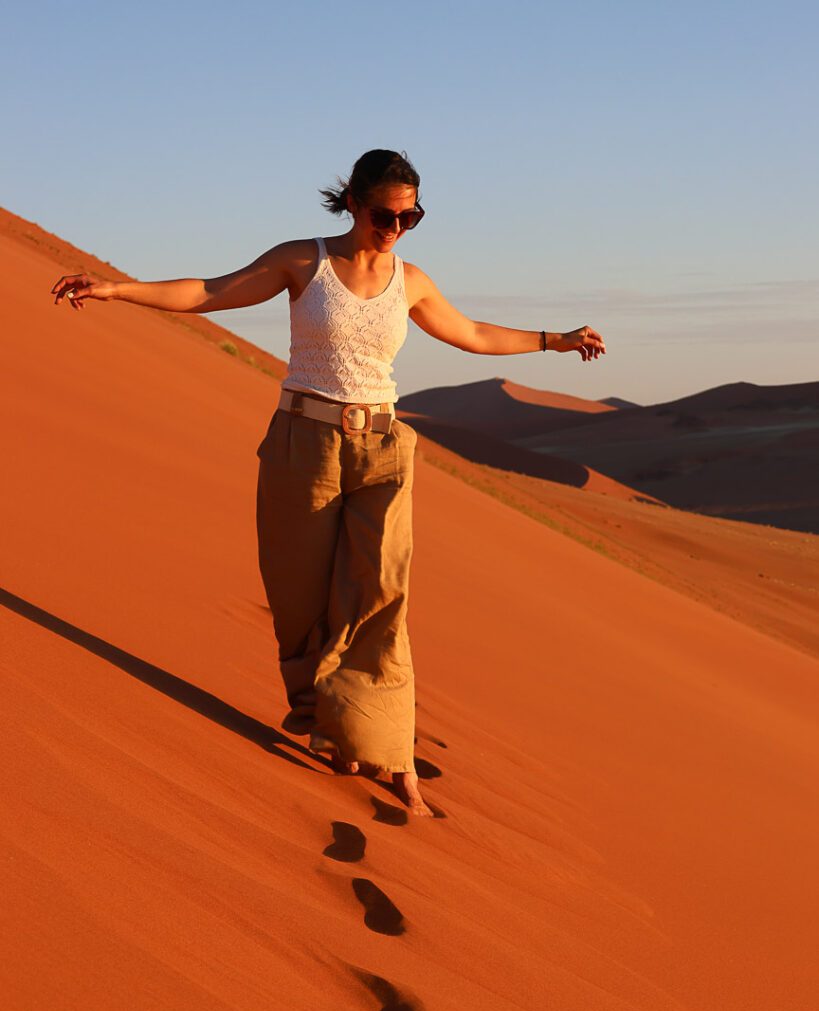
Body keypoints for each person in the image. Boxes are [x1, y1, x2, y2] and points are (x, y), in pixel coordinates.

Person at [50, 149, 606, 817]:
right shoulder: (302, 260)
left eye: (411, 218)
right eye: (384, 215)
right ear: (351, 202)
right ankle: (327, 719)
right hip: (303, 442)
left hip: (382, 447)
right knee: (298, 594)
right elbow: (209, 291)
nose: (394, 229)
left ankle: (392, 753)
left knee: (381, 595)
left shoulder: (412, 280)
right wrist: (116, 290)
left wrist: (555, 339)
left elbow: (472, 333)